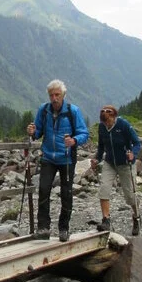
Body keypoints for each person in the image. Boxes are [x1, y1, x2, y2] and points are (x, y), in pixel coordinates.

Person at [25, 80, 89, 242]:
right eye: (51, 95)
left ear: (63, 95)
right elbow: (38, 132)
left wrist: (74, 140)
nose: (54, 98)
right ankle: (43, 228)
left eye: (57, 95)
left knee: (66, 193)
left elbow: (84, 133)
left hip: (67, 158)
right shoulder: (44, 110)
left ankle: (64, 229)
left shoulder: (73, 111)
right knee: (44, 190)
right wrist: (32, 131)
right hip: (48, 157)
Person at [91, 105, 142, 235]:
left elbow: (137, 143)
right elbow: (101, 147)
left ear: (114, 117)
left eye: (108, 122)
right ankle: (106, 220)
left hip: (125, 163)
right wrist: (97, 159)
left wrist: (133, 154)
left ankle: (136, 217)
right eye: (104, 122)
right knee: (104, 189)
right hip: (110, 162)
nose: (106, 125)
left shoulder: (123, 125)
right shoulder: (102, 127)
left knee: (130, 195)